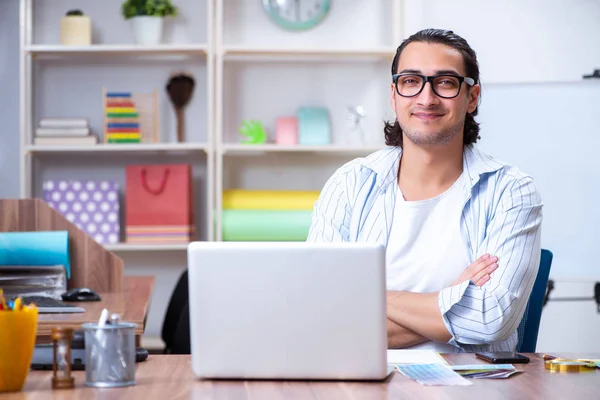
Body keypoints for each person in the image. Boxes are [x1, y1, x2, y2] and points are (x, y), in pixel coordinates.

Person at [306, 28, 543, 353]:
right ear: (394, 95)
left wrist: (364, 295)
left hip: (473, 387)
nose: (426, 98)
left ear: (471, 97)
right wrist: (451, 297)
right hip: (364, 383)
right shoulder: (350, 184)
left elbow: (491, 318)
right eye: (410, 81)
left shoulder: (511, 191)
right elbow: (317, 318)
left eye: (445, 82)